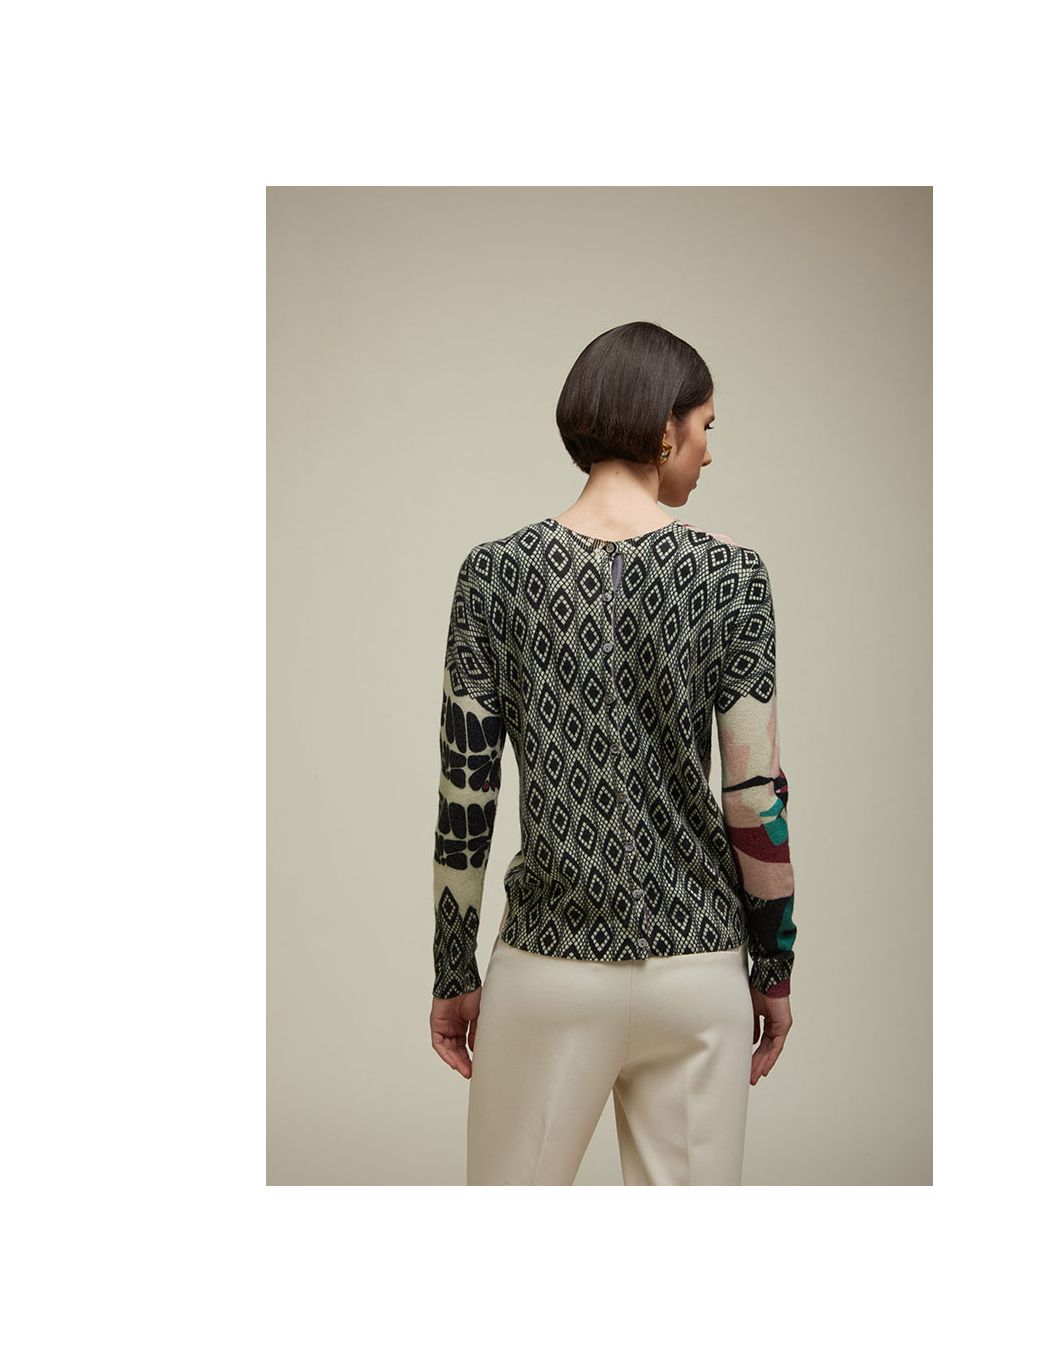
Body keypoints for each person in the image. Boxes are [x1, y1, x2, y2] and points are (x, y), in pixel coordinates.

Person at [430, 320, 796, 1184]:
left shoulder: (495, 575)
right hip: (697, 969)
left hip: (549, 964)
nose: (708, 451)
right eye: (705, 427)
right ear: (665, 427)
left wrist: (452, 970)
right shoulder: (731, 577)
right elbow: (754, 794)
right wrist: (773, 965)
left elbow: (466, 792)